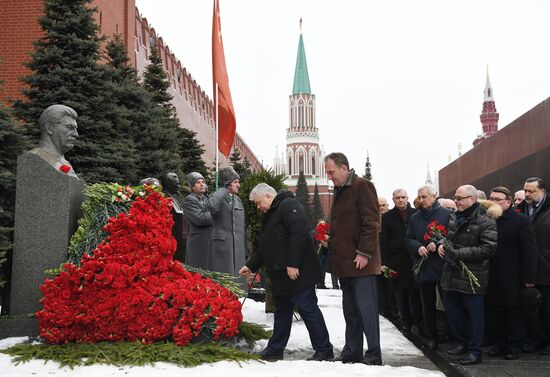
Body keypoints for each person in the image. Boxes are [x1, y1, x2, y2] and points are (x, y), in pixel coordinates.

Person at [239, 183, 333, 361]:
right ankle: (275, 349)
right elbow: (265, 246)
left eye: (259, 203)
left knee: (308, 310)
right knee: (282, 312)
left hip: (297, 273)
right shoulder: (272, 212)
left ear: (268, 196)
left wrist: (292, 263)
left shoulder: (289, 205)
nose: (258, 207)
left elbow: (299, 235)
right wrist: (251, 265)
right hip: (282, 274)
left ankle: (324, 350)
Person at [324, 152, 382, 365]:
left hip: (362, 264)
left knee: (367, 311)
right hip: (346, 264)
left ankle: (374, 354)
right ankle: (353, 351)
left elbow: (372, 222)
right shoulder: (340, 190)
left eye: (331, 172)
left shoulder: (361, 185)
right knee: (351, 312)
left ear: (344, 168)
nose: (330, 177)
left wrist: (364, 252)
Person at [438, 185, 498, 365]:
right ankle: (461, 342)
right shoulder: (454, 218)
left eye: (459, 198)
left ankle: (475, 351)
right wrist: (442, 244)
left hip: (473, 275)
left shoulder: (486, 220)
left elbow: (488, 249)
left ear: (471, 199)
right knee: (453, 312)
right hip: (451, 273)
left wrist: (457, 253)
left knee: (475, 316)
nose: (456, 201)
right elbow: (449, 238)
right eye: (455, 197)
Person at [486, 186, 537, 360]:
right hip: (491, 275)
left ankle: (514, 345)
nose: (493, 202)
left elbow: (528, 251)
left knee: (513, 313)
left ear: (508, 201)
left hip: (513, 276)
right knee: (494, 312)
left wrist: (529, 278)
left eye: (497, 199)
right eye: (491, 198)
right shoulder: (486, 219)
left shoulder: (521, 220)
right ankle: (499, 344)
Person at [405, 184, 452, 351]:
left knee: (449, 303)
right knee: (427, 304)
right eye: (420, 197)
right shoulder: (415, 218)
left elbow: (453, 235)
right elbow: (408, 238)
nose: (421, 200)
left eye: (425, 197)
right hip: (424, 265)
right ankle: (432, 336)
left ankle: (452, 336)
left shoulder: (447, 214)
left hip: (443, 265)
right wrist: (418, 246)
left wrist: (439, 242)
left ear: (434, 197)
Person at [519, 177, 550, 354]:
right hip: (527, 269)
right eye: (525, 191)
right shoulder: (521, 209)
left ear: (542, 191)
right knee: (530, 309)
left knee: (547, 309)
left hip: (546, 268)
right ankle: (535, 339)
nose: (527, 194)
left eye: (531, 191)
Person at [380, 189, 417, 333]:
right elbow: (384, 241)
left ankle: (416, 321)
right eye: (397, 198)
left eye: (403, 197)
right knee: (400, 292)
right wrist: (384, 263)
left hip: (414, 258)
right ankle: (406, 321)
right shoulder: (388, 217)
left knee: (415, 292)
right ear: (393, 200)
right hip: (396, 260)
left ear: (408, 198)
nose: (400, 200)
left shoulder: (415, 213)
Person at [211, 166, 246, 276]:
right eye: (235, 182)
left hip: (237, 248)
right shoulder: (217, 197)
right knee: (225, 280)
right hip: (222, 248)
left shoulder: (238, 200)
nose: (238, 185)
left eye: (238, 182)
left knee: (238, 280)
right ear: (227, 183)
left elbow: (241, 227)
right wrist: (224, 190)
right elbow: (211, 206)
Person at [29, 104, 79, 178]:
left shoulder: (65, 163)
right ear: (50, 128)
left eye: (75, 129)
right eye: (69, 127)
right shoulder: (34, 159)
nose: (76, 134)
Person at [182, 172, 215, 269]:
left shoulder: (205, 199)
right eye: (198, 182)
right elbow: (199, 219)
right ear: (192, 187)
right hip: (198, 244)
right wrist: (217, 216)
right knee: (198, 273)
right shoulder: (190, 200)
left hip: (209, 242)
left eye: (203, 182)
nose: (202, 184)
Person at [160, 172, 185, 262]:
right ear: (169, 185)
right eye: (177, 184)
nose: (179, 186)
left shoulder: (173, 199)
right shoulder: (166, 199)